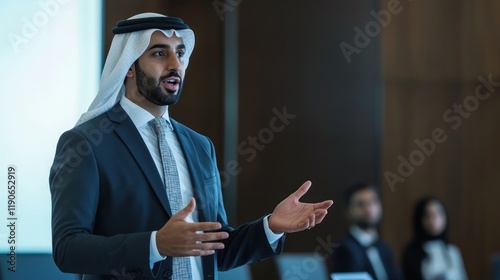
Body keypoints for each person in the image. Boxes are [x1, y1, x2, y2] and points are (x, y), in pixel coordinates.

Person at [49, 12, 334, 280]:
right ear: (129, 67)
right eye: (160, 53)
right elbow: (68, 249)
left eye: (181, 53)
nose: (176, 65)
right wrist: (155, 244)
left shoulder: (200, 146)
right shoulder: (86, 143)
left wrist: (270, 227)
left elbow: (214, 247)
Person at [331, 182, 401, 280]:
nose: (369, 208)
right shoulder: (343, 248)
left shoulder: (384, 247)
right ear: (348, 212)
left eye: (373, 201)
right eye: (360, 204)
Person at [403, 197, 468, 280]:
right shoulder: (412, 252)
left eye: (438, 214)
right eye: (428, 215)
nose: (433, 219)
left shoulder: (452, 251)